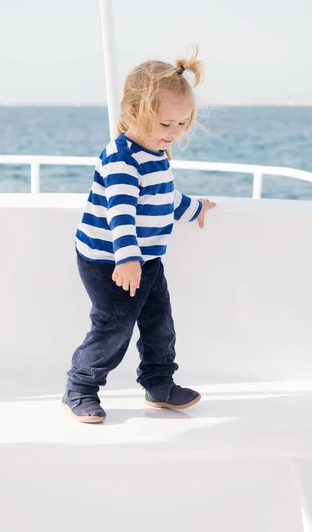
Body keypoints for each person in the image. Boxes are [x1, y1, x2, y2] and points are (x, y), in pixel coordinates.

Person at [62, 46, 216, 423]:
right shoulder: (121, 158)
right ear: (133, 113)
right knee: (115, 326)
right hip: (107, 259)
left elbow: (163, 197)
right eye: (166, 125)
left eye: (181, 125)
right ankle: (80, 387)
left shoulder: (158, 154)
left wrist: (193, 208)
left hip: (145, 258)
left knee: (160, 324)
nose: (174, 133)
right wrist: (127, 258)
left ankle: (160, 383)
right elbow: (121, 212)